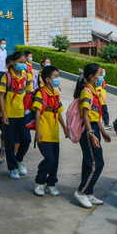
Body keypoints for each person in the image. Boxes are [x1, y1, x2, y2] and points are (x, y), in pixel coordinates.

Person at [74, 63, 111, 208]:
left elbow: (96, 116)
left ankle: (88, 192)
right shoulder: (86, 92)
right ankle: (81, 192)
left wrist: (102, 132)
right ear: (91, 76)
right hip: (88, 129)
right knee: (97, 163)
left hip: (94, 127)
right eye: (99, 74)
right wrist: (91, 134)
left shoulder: (95, 91)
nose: (101, 77)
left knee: (89, 162)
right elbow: (86, 115)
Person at [32, 65, 68, 196]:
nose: (57, 79)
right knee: (49, 159)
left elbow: (58, 113)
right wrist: (37, 132)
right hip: (44, 132)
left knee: (55, 161)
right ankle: (40, 181)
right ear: (47, 79)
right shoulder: (41, 93)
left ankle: (51, 183)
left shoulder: (56, 94)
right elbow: (37, 113)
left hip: (54, 133)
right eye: (55, 77)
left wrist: (64, 128)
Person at [0, 51, 32, 179]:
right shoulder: (6, 77)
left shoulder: (26, 76)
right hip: (10, 115)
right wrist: (4, 113)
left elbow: (29, 94)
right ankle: (12, 168)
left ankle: (19, 159)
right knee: (10, 143)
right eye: (21, 62)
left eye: (25, 62)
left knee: (27, 139)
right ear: (12, 63)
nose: (24, 65)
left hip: (23, 114)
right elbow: (0, 96)